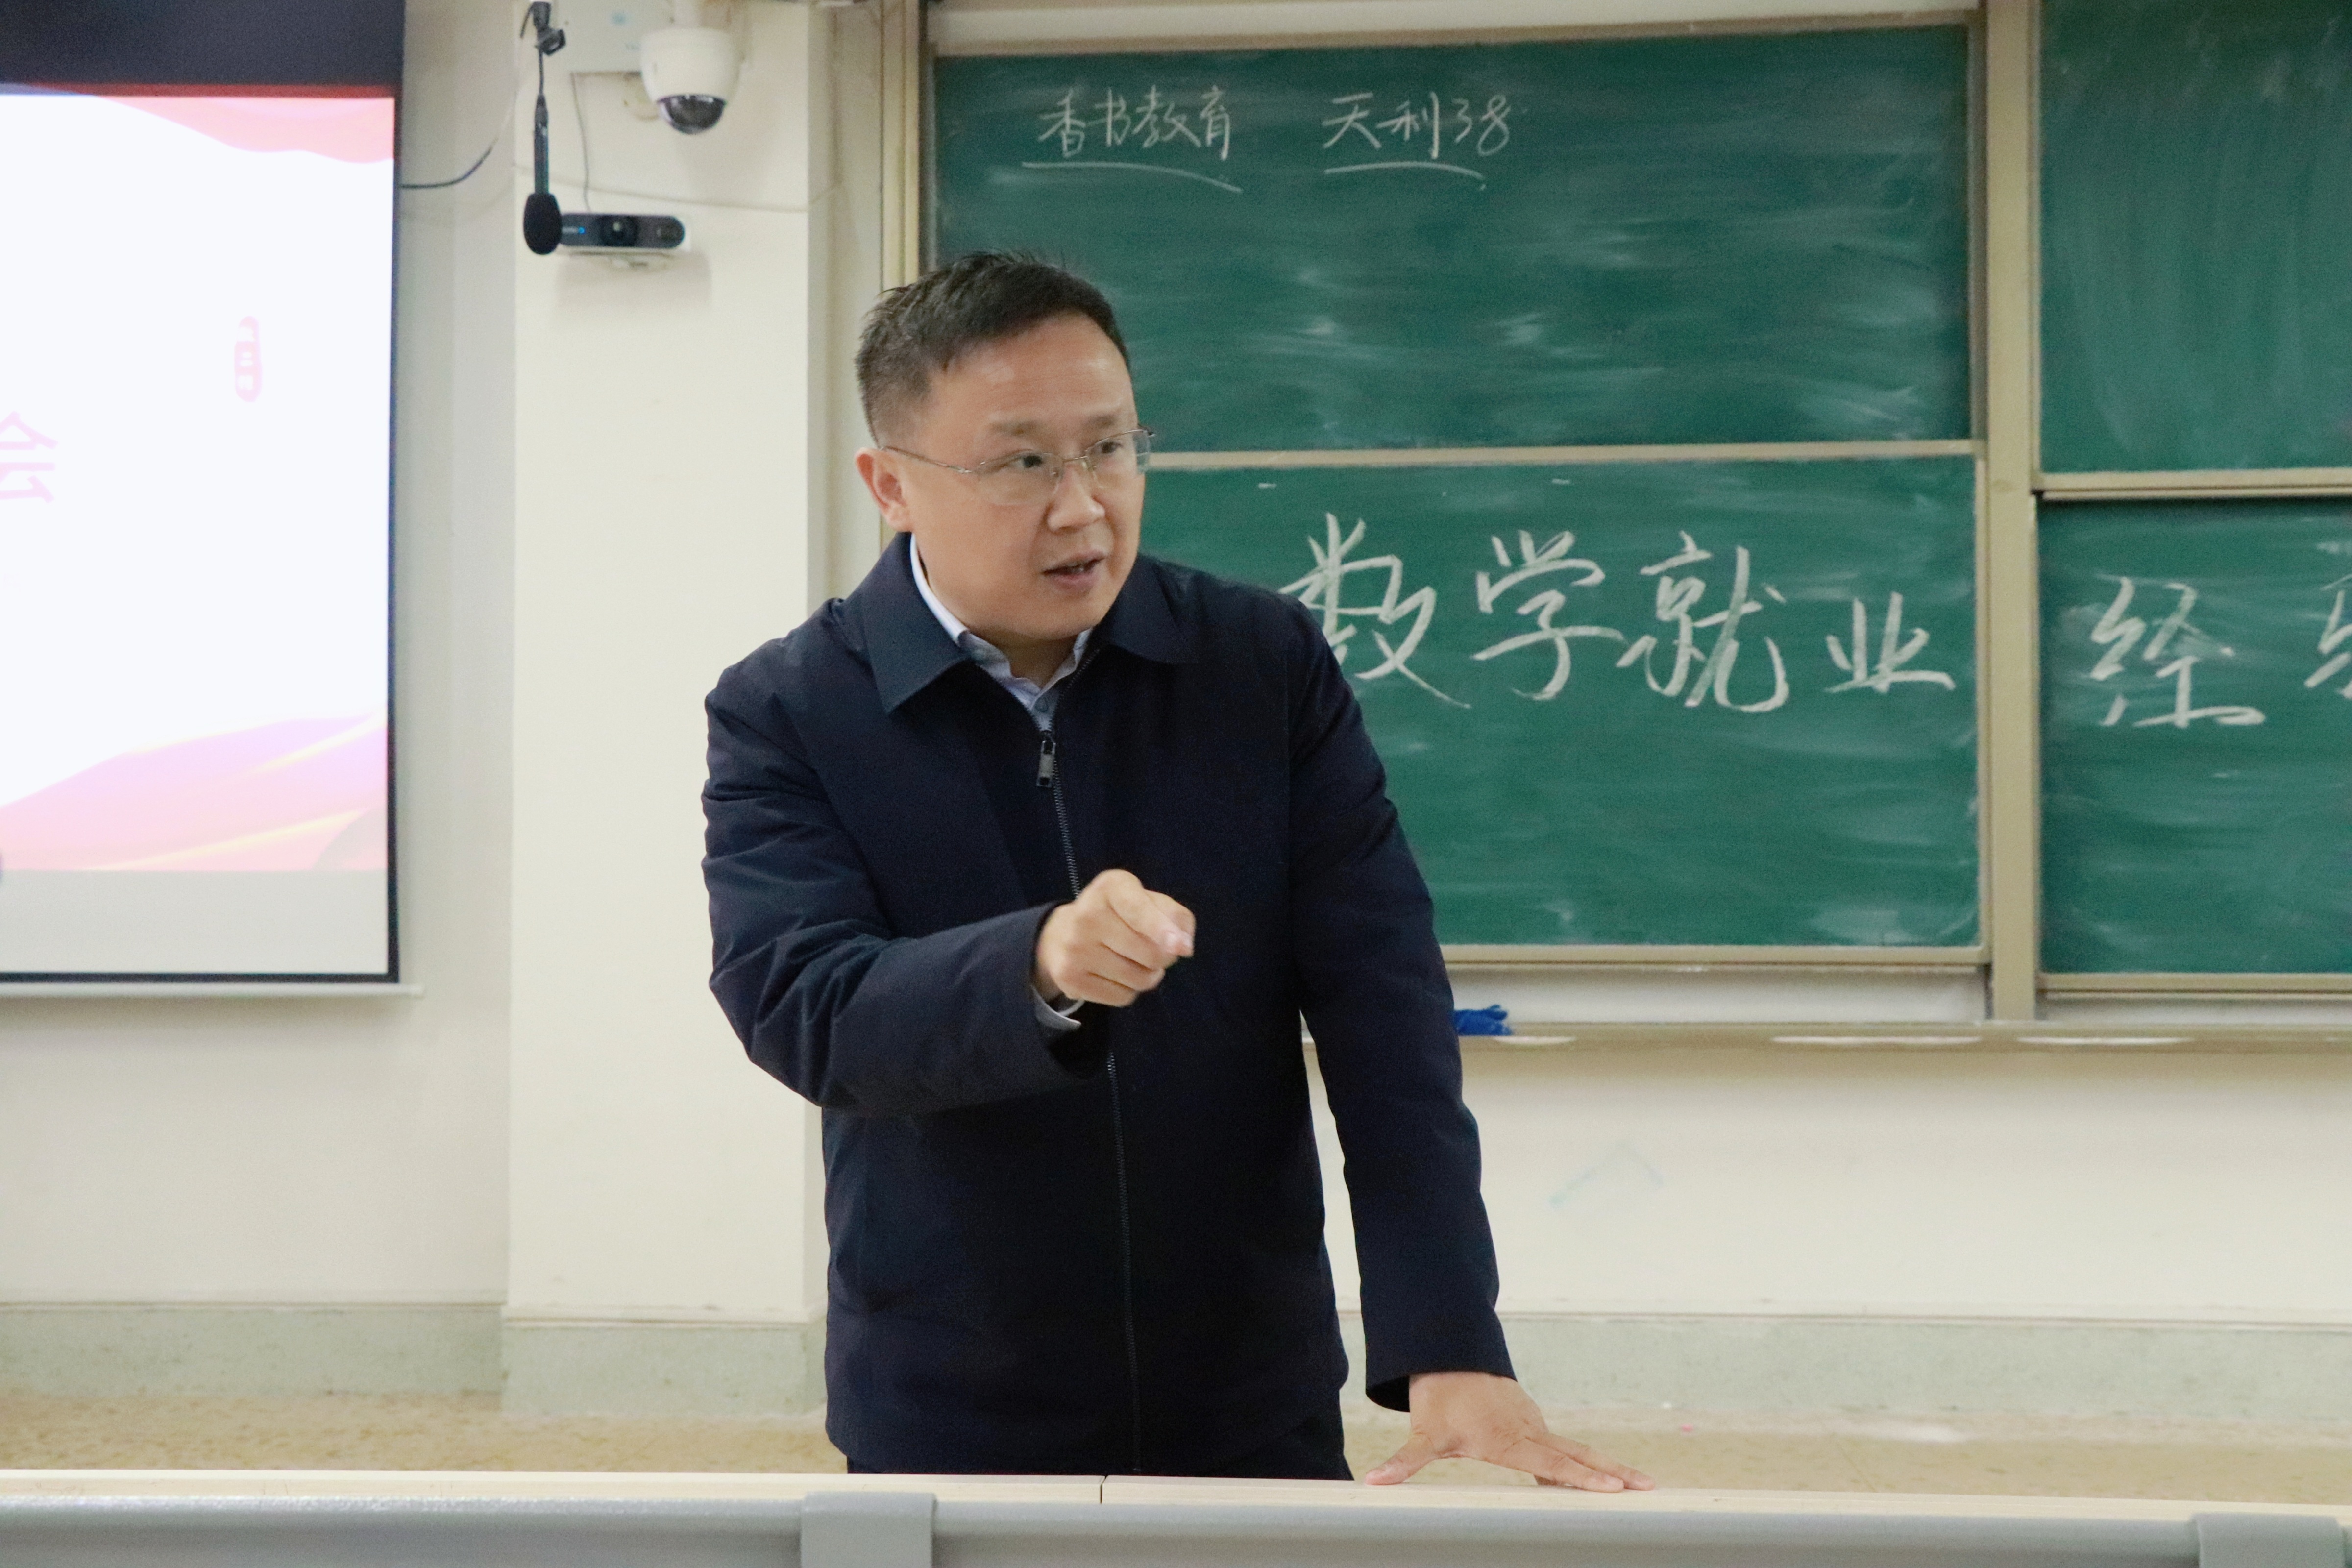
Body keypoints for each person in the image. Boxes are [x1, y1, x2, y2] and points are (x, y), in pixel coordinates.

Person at [702, 252, 1653, 1489]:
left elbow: (1384, 1009)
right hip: (952, 1394)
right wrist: (1036, 965)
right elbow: (804, 1006)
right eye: (1022, 463)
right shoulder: (790, 709)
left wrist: (1448, 1338)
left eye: (1110, 448)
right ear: (891, 484)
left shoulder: (1259, 665)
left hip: (1249, 1386)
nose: (1083, 507)